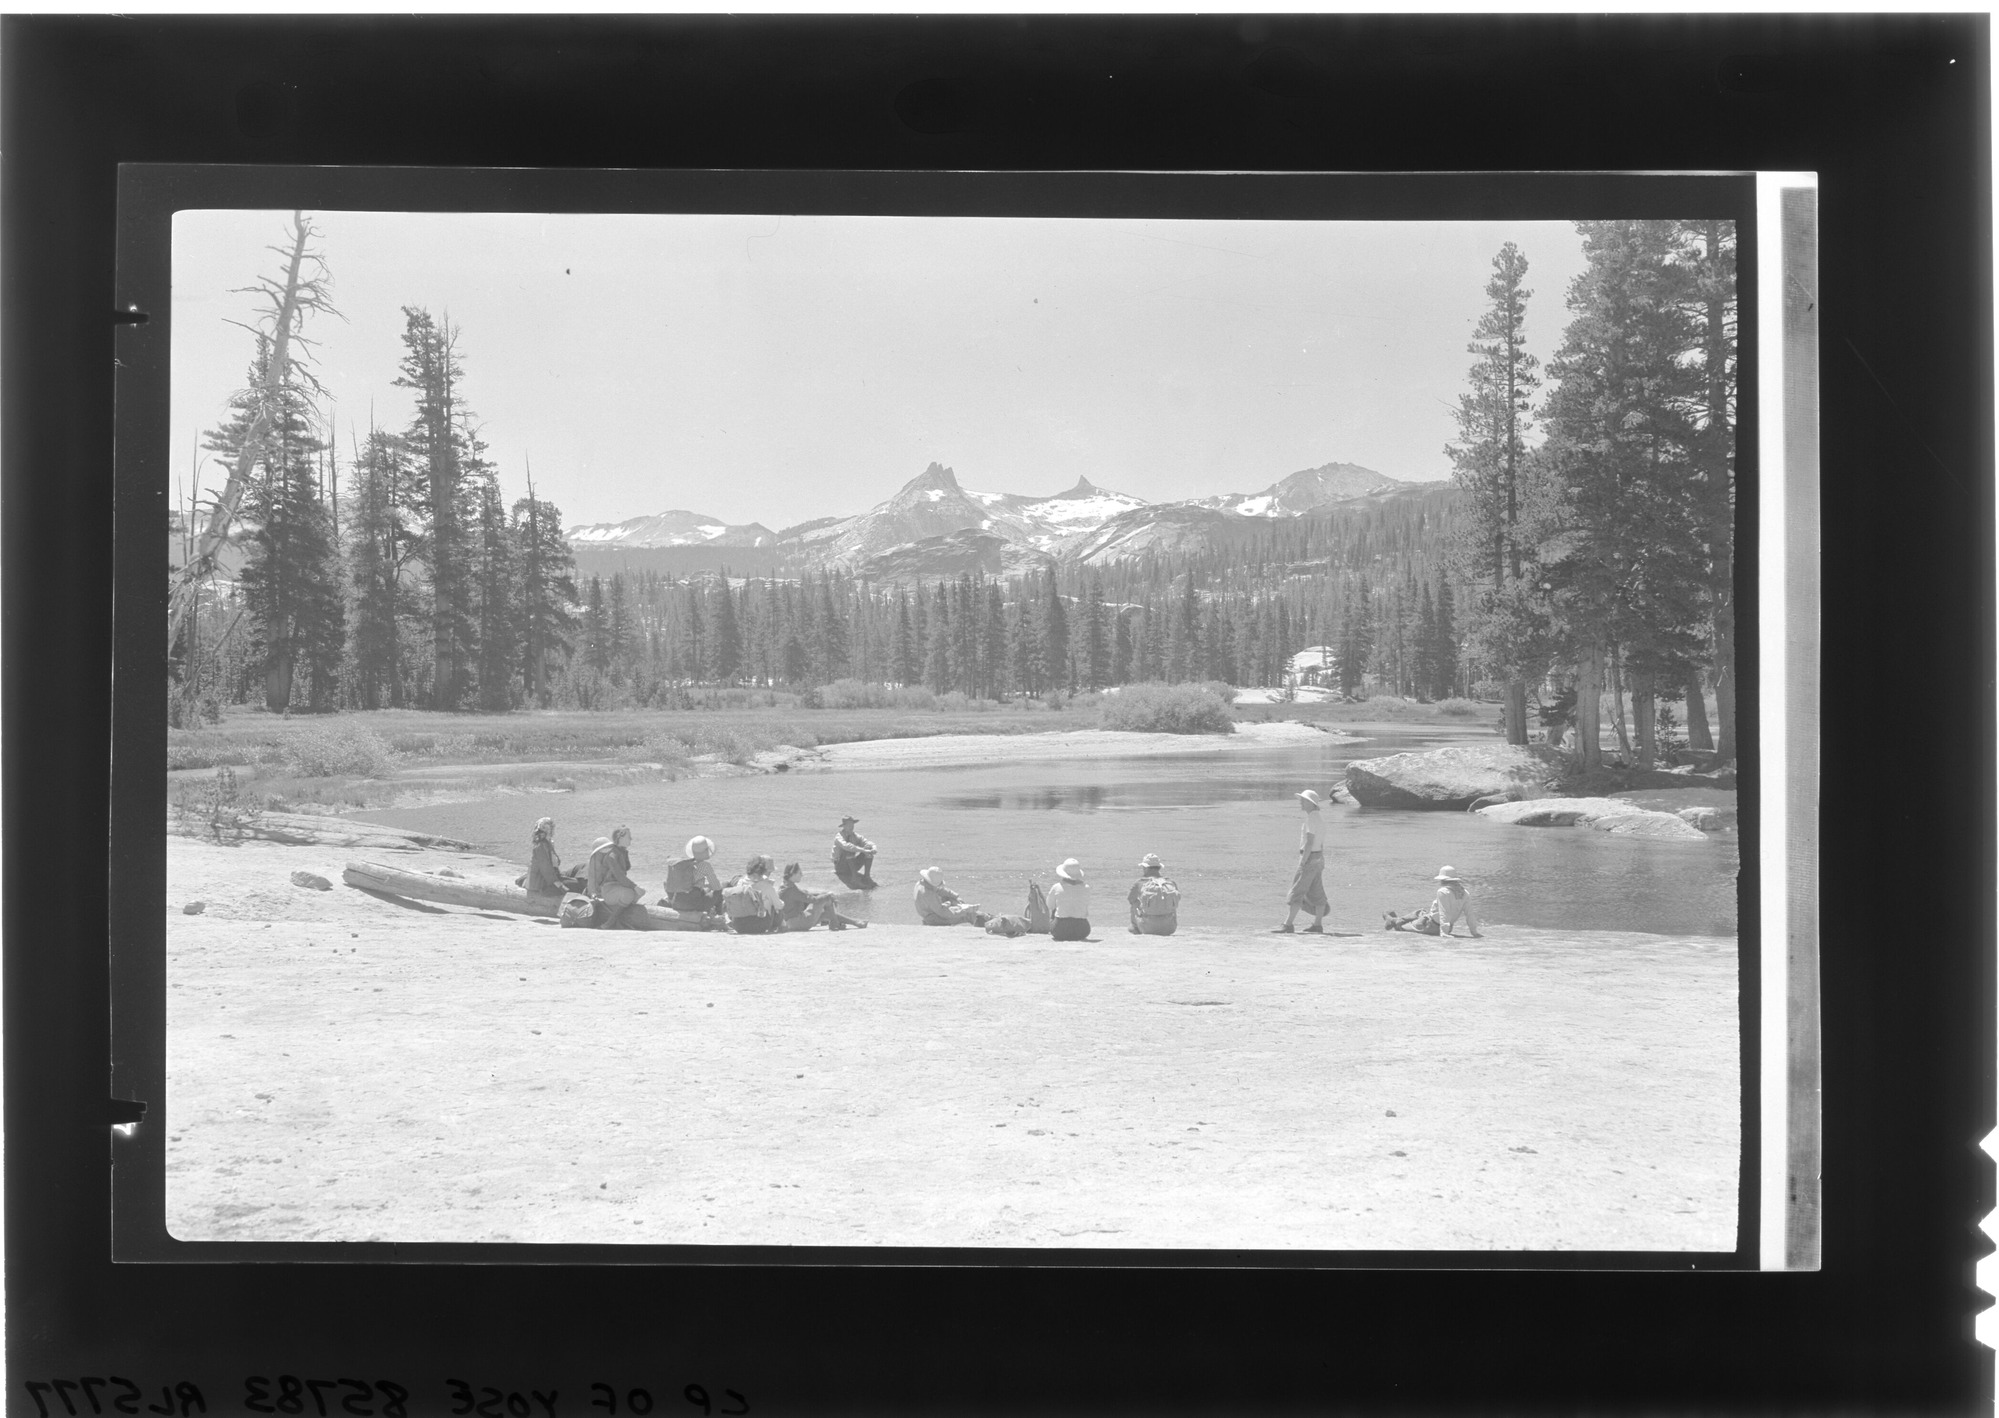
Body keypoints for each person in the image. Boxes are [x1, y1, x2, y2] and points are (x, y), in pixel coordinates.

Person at [1275, 789, 1330, 934]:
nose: (1301, 802)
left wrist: (1303, 861)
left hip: (1310, 858)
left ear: (1311, 804)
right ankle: (1317, 925)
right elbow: (1320, 843)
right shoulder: (1320, 818)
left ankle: (1288, 925)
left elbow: (1310, 841)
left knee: (1297, 891)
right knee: (1317, 891)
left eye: (1304, 800)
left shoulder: (1312, 818)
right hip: (1318, 857)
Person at [779, 862, 868, 931]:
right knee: (827, 898)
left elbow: (804, 894)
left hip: (792, 922)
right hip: (798, 922)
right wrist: (827, 895)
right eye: (799, 873)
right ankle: (835, 924)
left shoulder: (785, 885)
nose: (802, 875)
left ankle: (856, 922)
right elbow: (812, 899)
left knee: (828, 913)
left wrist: (822, 894)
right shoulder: (791, 889)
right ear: (792, 874)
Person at [585, 826, 645, 926]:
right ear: (620, 838)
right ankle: (610, 921)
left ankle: (621, 911)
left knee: (640, 892)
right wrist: (634, 886)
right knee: (629, 894)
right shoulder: (612, 855)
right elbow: (619, 876)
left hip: (618, 886)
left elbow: (627, 867)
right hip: (609, 889)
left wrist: (625, 852)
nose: (631, 839)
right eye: (628, 837)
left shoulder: (620, 852)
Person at [663, 835, 725, 916]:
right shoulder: (705, 866)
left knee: (705, 891)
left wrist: (706, 886)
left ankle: (710, 913)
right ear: (706, 850)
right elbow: (717, 887)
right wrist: (713, 887)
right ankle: (719, 917)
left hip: (677, 903)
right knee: (718, 892)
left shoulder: (687, 865)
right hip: (693, 905)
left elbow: (690, 883)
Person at [722, 855, 785, 935]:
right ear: (764, 871)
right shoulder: (767, 886)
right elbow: (779, 905)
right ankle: (779, 927)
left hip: (738, 926)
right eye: (769, 872)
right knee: (775, 906)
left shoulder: (740, 882)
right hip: (759, 926)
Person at [524, 817, 585, 897]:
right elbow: (547, 871)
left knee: (581, 868)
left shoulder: (548, 843)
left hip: (552, 877)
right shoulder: (540, 847)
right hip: (544, 885)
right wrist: (560, 886)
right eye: (550, 829)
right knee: (578, 885)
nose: (552, 831)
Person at [914, 866, 989, 927]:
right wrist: (963, 910)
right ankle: (987, 923)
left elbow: (940, 890)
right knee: (969, 915)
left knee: (951, 899)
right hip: (933, 919)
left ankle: (985, 918)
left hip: (931, 912)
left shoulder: (921, 884)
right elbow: (943, 913)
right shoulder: (928, 894)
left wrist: (955, 896)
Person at [1127, 853, 1180, 936]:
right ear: (1159, 868)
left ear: (1145, 868)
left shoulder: (1140, 882)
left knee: (1135, 903)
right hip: (1170, 928)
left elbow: (1130, 899)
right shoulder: (1170, 882)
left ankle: (1135, 928)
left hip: (1147, 929)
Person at [1432, 865, 1483, 937]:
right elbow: (1469, 914)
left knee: (1415, 916)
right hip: (1449, 928)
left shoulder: (1442, 892)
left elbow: (1444, 913)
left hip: (1432, 925)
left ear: (1442, 880)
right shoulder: (1464, 892)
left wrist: (1444, 932)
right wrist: (1474, 932)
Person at [1048, 858, 1091, 941]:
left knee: (1055, 908)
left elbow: (1050, 905)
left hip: (1060, 931)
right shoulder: (1086, 888)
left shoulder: (1057, 887)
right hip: (1082, 931)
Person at [831, 816, 879, 890]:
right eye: (849, 825)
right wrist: (863, 850)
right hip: (841, 866)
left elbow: (867, 842)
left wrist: (874, 848)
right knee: (849, 849)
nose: (851, 827)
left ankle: (867, 877)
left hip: (851, 864)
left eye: (852, 825)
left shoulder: (855, 836)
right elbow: (847, 846)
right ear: (844, 826)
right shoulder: (839, 836)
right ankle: (854, 879)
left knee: (868, 847)